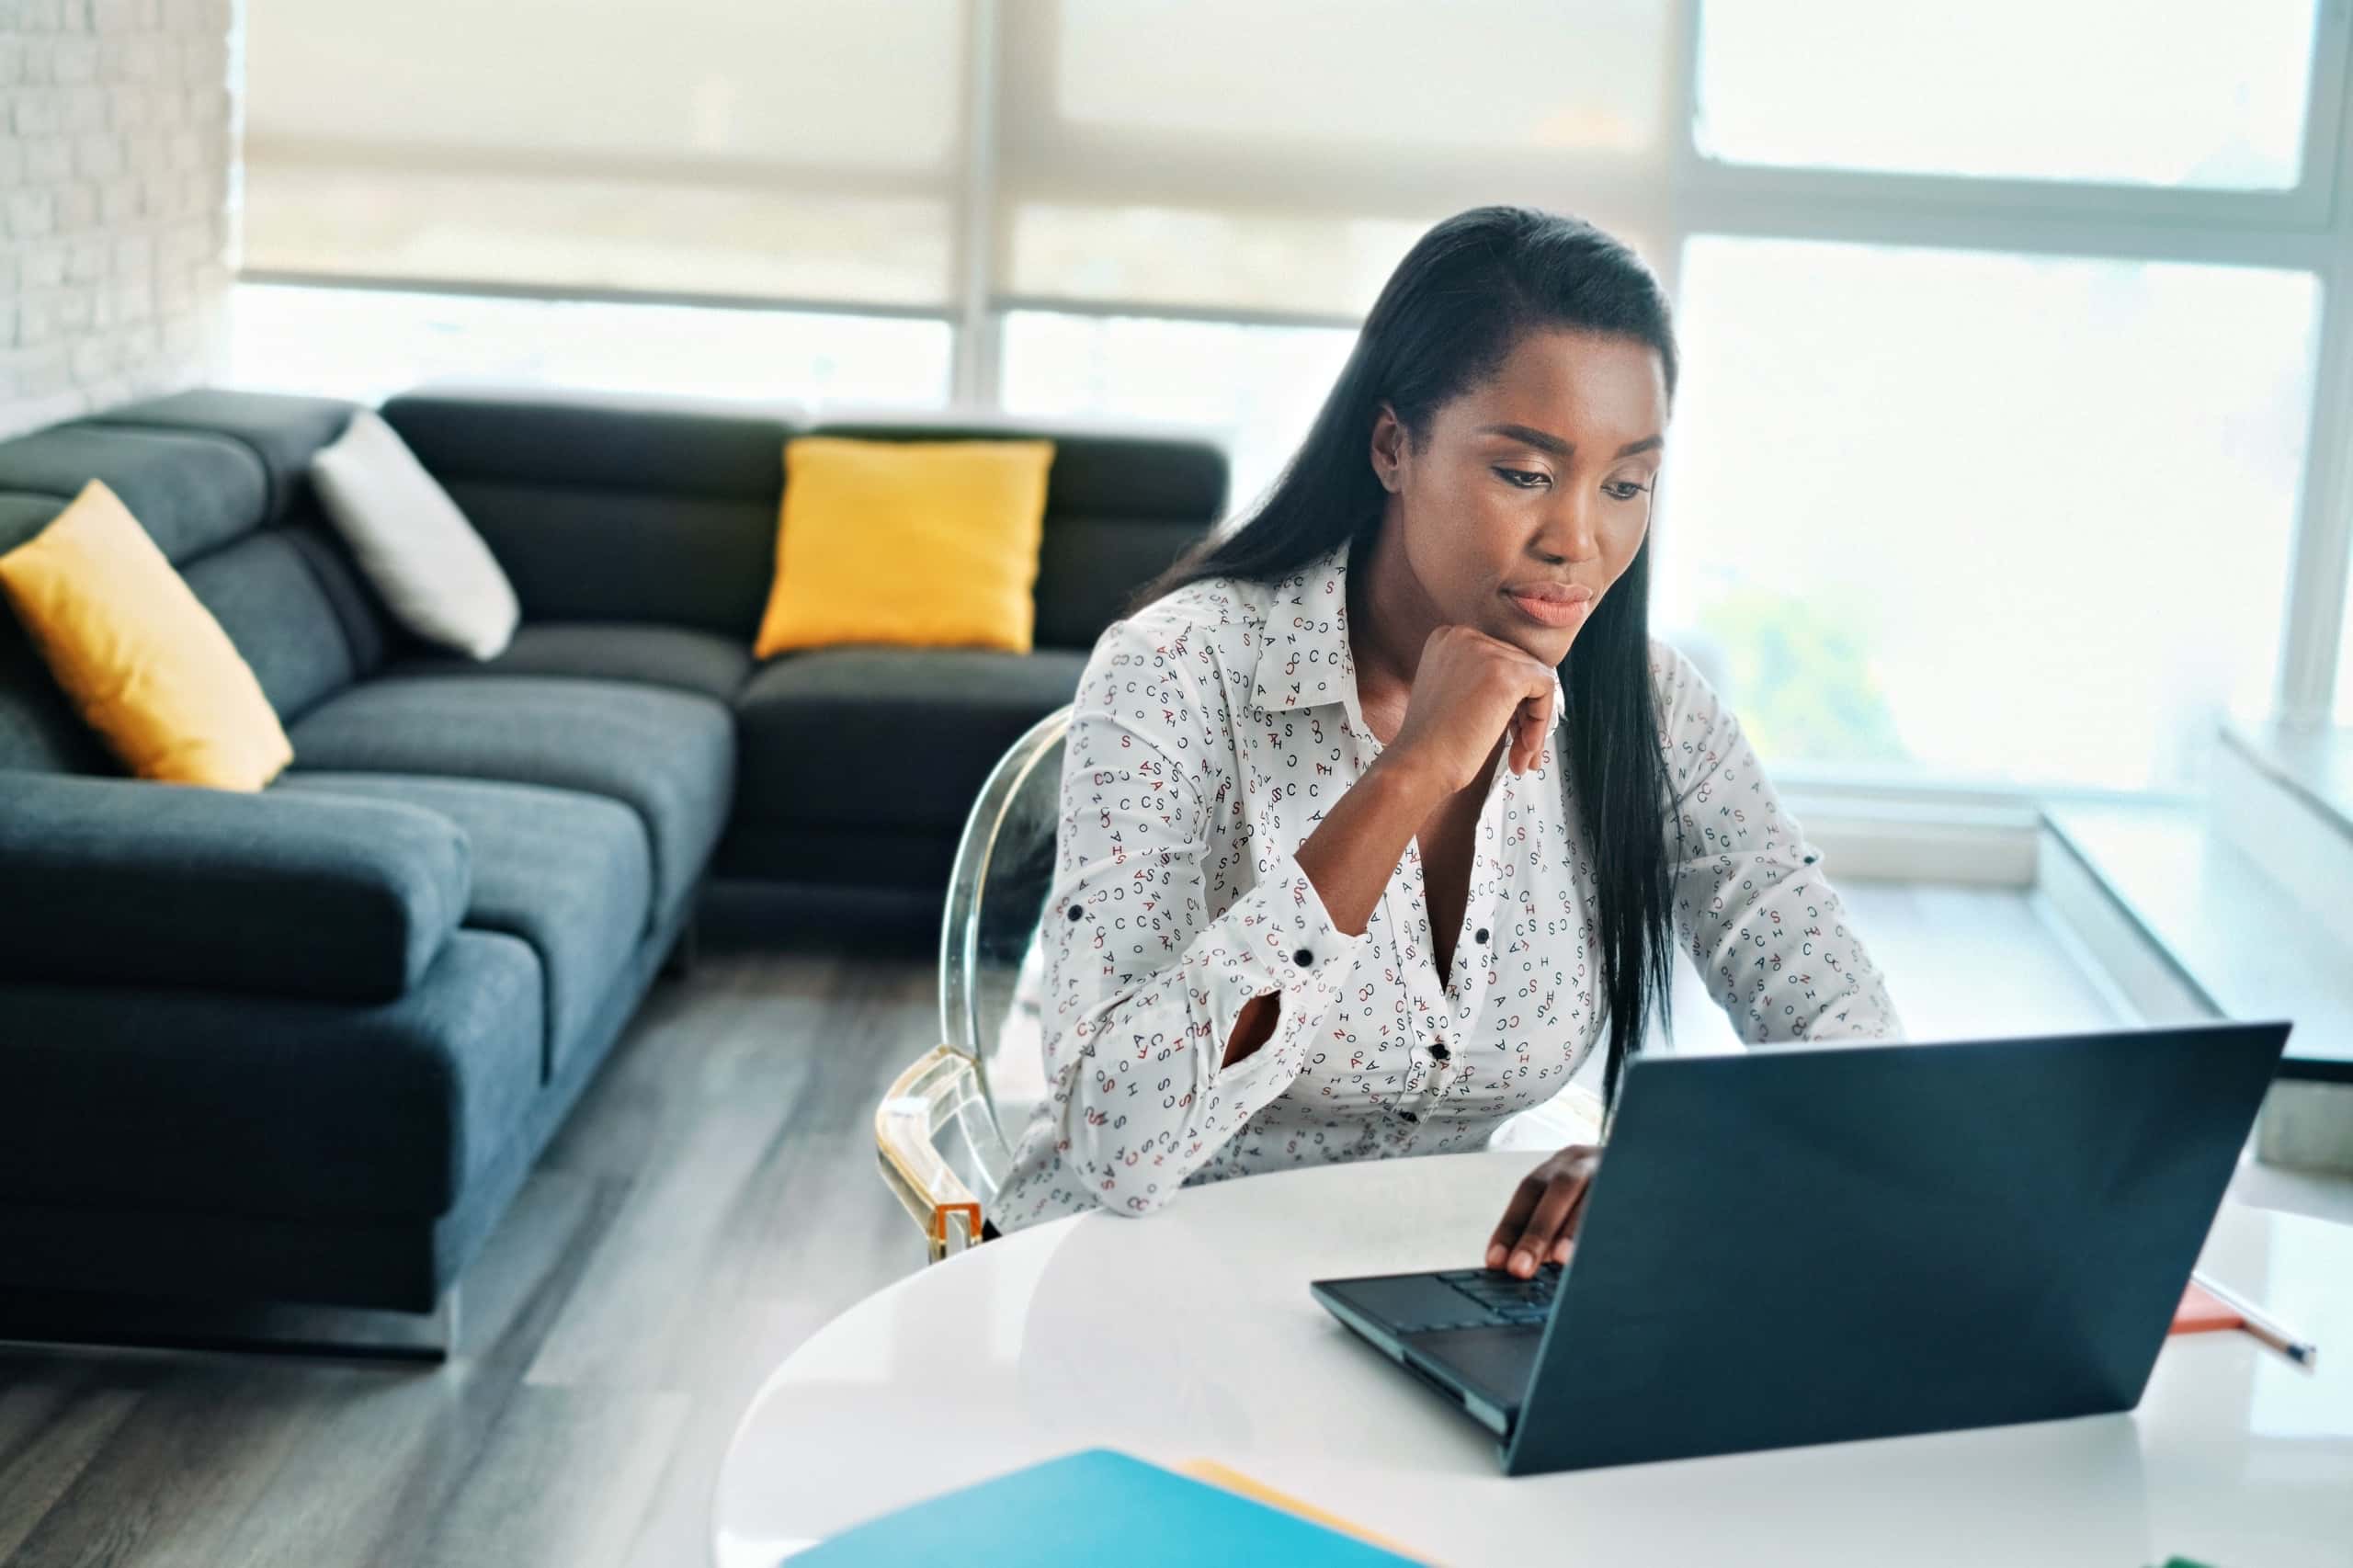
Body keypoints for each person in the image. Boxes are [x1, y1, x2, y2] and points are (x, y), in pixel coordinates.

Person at [989, 204, 1904, 1274]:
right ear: (1393, 446)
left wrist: (1681, 1162)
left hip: (1419, 1292)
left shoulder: (1653, 709)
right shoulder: (1178, 670)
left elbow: (1854, 1058)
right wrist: (1410, 772)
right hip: (1125, 1287)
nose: (1576, 539)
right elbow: (1118, 1145)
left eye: (1625, 485)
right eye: (1523, 472)